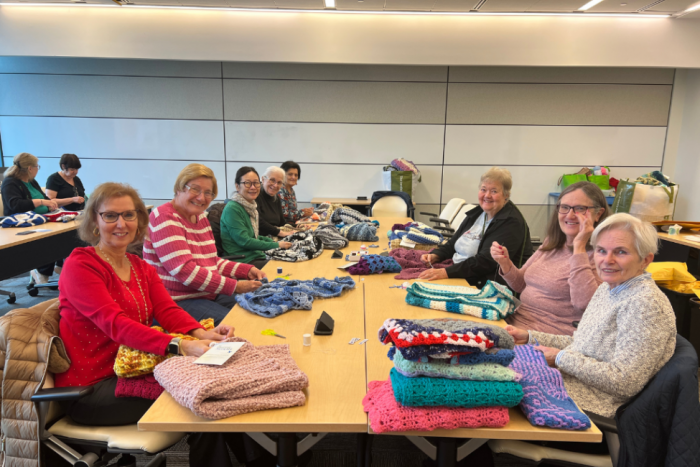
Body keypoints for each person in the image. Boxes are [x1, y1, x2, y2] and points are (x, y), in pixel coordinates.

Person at [56, 182, 269, 467]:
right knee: (205, 395)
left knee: (215, 385)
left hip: (138, 368)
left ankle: (263, 460)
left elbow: (167, 310)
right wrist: (182, 345)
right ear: (94, 221)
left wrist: (201, 332)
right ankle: (262, 460)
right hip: (94, 388)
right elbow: (116, 325)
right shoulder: (81, 265)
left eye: (129, 215)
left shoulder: (139, 265)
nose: (121, 223)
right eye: (110, 215)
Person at [507, 213, 676, 419]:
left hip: (588, 404)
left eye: (621, 252)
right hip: (568, 383)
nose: (607, 260)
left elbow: (625, 382)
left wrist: (560, 358)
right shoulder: (608, 288)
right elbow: (582, 344)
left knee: (491, 390)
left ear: (645, 260)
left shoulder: (645, 304)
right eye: (601, 250)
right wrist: (530, 337)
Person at [143, 164, 265, 325]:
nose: (201, 198)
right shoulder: (165, 218)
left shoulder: (200, 217)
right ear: (179, 188)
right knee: (240, 324)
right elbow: (186, 272)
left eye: (208, 193)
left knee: (260, 306)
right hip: (175, 301)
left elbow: (211, 262)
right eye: (195, 189)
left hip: (205, 293)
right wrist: (235, 286)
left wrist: (246, 270)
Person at [490, 181, 609, 335]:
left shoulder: (602, 254)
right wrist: (505, 263)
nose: (570, 215)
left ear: (598, 214)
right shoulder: (552, 243)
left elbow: (585, 305)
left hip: (545, 335)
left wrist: (579, 247)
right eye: (564, 207)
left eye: (580, 209)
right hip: (515, 321)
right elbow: (521, 285)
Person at [418, 167, 532, 288]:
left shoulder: (511, 222)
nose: (487, 195)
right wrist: (436, 255)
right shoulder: (478, 213)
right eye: (483, 189)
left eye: (494, 191)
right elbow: (453, 243)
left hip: (484, 284)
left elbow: (485, 262)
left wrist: (446, 272)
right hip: (459, 272)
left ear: (506, 195)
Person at [0, 152, 77, 283]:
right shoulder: (10, 183)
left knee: (66, 234)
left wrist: (50, 204)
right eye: (37, 166)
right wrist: (42, 202)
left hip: (43, 218)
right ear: (30, 168)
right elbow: (15, 205)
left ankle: (59, 265)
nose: (37, 169)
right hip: (23, 223)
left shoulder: (32, 181)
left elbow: (44, 197)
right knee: (50, 240)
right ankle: (41, 271)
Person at [220, 167, 292, 268]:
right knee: (286, 267)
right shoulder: (233, 208)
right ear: (237, 186)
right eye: (247, 183)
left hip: (255, 255)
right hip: (242, 260)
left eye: (256, 183)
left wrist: (274, 242)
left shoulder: (251, 207)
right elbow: (245, 241)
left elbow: (255, 237)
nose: (253, 187)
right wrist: (276, 245)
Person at [257, 166, 294, 237]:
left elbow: (282, 222)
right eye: (272, 180)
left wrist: (298, 226)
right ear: (263, 179)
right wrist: (279, 232)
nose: (275, 185)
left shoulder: (276, 198)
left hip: (275, 235)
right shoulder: (256, 196)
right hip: (263, 239)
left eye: (279, 182)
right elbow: (258, 221)